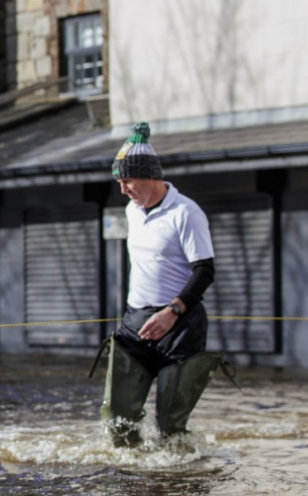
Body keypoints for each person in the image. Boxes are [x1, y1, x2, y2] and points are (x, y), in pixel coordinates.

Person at [102, 122, 220, 447]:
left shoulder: (185, 213)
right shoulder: (131, 210)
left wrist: (172, 312)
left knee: (170, 427)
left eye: (127, 180)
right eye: (119, 181)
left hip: (179, 327)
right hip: (135, 324)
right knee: (117, 419)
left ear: (149, 175)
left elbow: (205, 270)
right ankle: (133, 477)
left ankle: (177, 478)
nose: (122, 188)